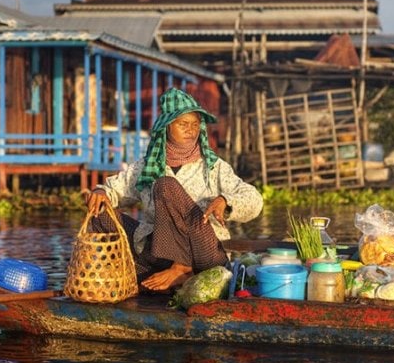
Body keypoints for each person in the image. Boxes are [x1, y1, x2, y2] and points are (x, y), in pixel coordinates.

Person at [85, 87, 263, 292]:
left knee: (165, 185)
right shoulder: (147, 166)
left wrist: (225, 201)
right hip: (160, 254)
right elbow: (115, 189)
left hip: (204, 252)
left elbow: (254, 199)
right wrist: (100, 193)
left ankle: (182, 270)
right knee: (99, 214)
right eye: (183, 124)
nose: (191, 130)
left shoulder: (214, 167)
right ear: (168, 127)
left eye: (196, 125)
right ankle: (155, 273)